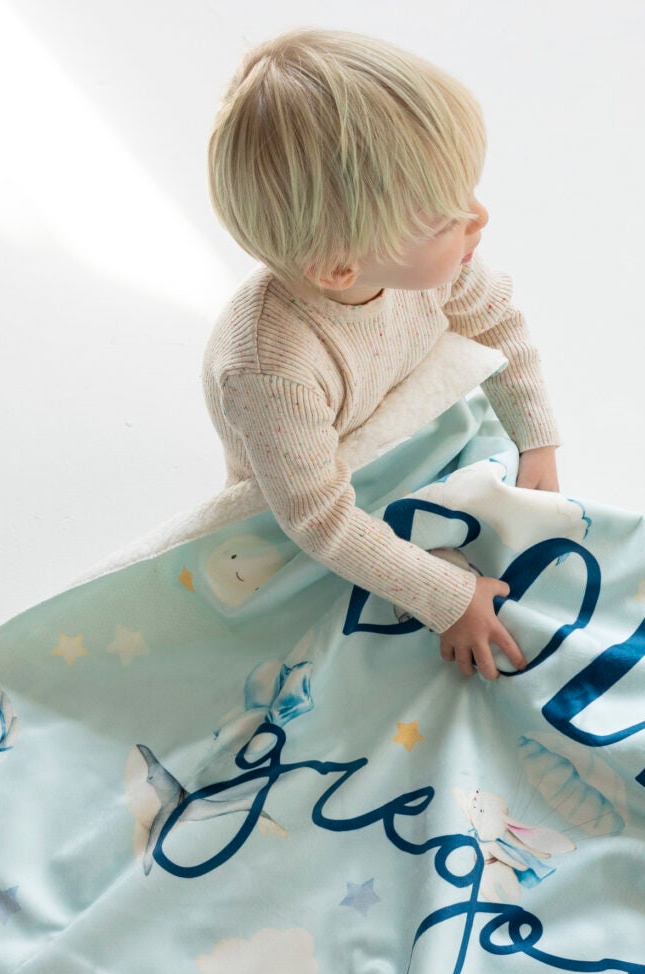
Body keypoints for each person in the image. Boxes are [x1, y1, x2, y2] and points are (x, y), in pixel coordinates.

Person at [202, 26, 561, 680]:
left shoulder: (434, 268)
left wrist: (535, 439)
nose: (480, 218)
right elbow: (318, 520)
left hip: (403, 428)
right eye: (446, 220)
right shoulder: (272, 371)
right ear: (341, 269)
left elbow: (498, 325)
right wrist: (447, 599)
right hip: (308, 492)